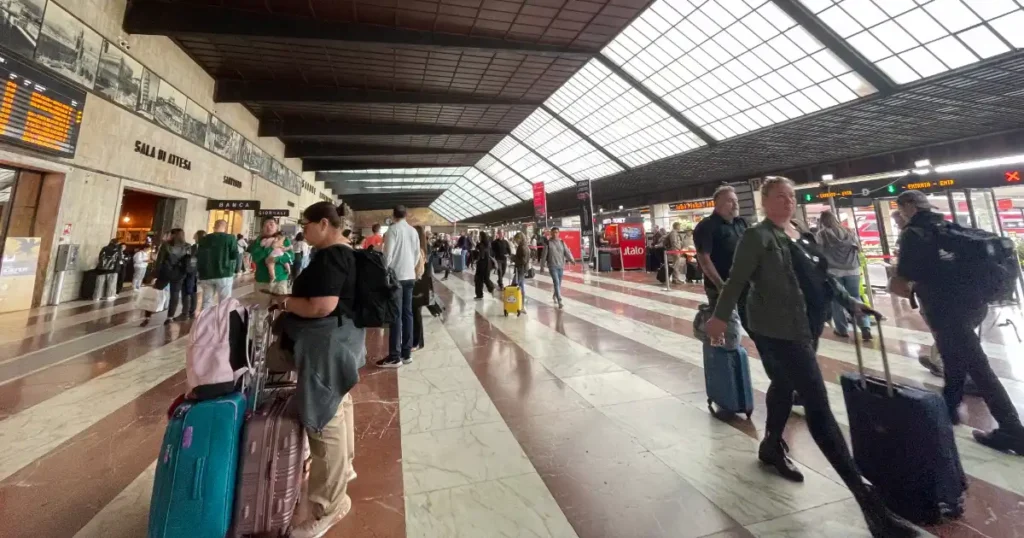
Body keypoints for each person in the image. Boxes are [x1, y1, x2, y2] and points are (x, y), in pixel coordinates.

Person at [706, 177, 917, 538]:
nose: (787, 202)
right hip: (777, 330)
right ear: (764, 202)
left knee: (784, 384)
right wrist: (719, 319)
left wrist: (849, 301)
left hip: (804, 326)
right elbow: (736, 281)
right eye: (778, 197)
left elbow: (821, 277)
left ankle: (771, 445)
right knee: (819, 409)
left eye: (791, 196)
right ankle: (872, 507)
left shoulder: (798, 233)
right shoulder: (756, 237)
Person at [890, 190, 1024, 454]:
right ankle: (948, 410)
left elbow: (902, 280)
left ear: (907, 206)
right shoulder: (950, 227)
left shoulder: (913, 234)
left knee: (978, 367)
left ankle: (1012, 429)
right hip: (974, 306)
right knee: (954, 359)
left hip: (944, 309)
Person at [266, 202, 363, 538]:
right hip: (340, 342)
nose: (302, 231)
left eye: (305, 225)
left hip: (326, 346)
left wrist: (285, 302)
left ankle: (330, 506)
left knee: (323, 419)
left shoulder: (332, 256)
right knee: (339, 403)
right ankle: (343, 468)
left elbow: (322, 306)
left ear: (325, 223)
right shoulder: (346, 252)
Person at [694, 185, 749, 325]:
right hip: (721, 287)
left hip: (745, 285)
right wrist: (721, 285)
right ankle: (722, 346)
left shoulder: (741, 223)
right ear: (717, 203)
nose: (736, 204)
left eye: (736, 201)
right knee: (725, 329)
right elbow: (704, 258)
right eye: (730, 201)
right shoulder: (706, 226)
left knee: (750, 323)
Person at [816, 210, 872, 341]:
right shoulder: (849, 232)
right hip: (853, 269)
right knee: (856, 297)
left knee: (837, 301)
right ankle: (865, 327)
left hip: (834, 271)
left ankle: (842, 329)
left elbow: (819, 252)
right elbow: (858, 248)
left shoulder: (821, 234)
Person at [377, 205, 420, 368]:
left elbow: (388, 255)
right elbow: (417, 254)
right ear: (406, 215)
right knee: (407, 314)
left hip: (396, 278)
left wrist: (385, 272)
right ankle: (406, 353)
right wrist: (410, 267)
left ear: (393, 215)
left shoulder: (393, 230)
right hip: (410, 276)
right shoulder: (413, 231)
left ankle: (394, 356)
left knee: (396, 315)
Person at [141, 228, 190, 326]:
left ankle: (147, 317)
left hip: (165, 273)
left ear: (172, 235)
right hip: (179, 274)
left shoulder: (166, 245)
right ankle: (170, 317)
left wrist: (153, 275)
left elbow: (159, 262)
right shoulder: (187, 246)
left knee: (154, 293)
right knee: (174, 295)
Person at [197, 219, 238, 310]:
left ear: (214, 226)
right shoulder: (230, 238)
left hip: (206, 274)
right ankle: (222, 322)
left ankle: (205, 322)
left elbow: (199, 256)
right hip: (224, 273)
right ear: (225, 228)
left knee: (206, 302)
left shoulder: (204, 239)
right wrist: (236, 269)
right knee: (224, 302)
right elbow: (234, 255)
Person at [249, 218, 293, 296]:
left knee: (279, 307)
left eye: (271, 224)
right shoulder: (258, 242)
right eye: (265, 225)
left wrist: (276, 259)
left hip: (280, 280)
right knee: (262, 307)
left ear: (277, 226)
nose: (268, 227)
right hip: (262, 281)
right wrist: (271, 247)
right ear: (262, 228)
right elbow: (256, 258)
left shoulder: (284, 240)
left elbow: (291, 257)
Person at [543, 227, 575, 309]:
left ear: (559, 233)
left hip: (561, 265)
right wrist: (542, 266)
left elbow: (567, 251)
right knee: (556, 282)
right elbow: (544, 255)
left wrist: (571, 260)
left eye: (556, 232)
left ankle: (555, 295)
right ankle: (560, 300)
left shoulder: (562, 242)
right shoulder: (548, 243)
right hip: (552, 265)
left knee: (559, 283)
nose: (555, 234)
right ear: (551, 233)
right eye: (553, 232)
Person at [411, 225, 432, 352]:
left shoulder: (418, 249)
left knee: (415, 312)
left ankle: (417, 341)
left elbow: (418, 269)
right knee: (415, 312)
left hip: (418, 283)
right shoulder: (424, 246)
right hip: (422, 282)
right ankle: (417, 340)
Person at [178, 231, 202, 321]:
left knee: (187, 291)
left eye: (195, 235)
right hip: (195, 272)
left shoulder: (193, 247)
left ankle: (185, 313)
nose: (193, 237)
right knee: (193, 291)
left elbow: (190, 259)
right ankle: (191, 311)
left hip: (190, 272)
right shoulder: (199, 247)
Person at [474, 232, 496, 299]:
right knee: (485, 278)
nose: (478, 237)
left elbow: (481, 255)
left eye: (479, 236)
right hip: (488, 264)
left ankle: (480, 294)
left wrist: (477, 258)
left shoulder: (481, 245)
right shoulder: (488, 244)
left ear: (481, 237)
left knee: (478, 279)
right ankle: (491, 288)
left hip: (482, 264)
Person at [512, 231, 530, 309]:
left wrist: (513, 258)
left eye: (516, 239)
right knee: (521, 285)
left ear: (520, 238)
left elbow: (523, 260)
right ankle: (521, 303)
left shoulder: (522, 247)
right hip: (523, 268)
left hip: (521, 269)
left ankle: (515, 302)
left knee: (514, 284)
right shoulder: (524, 246)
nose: (516, 241)